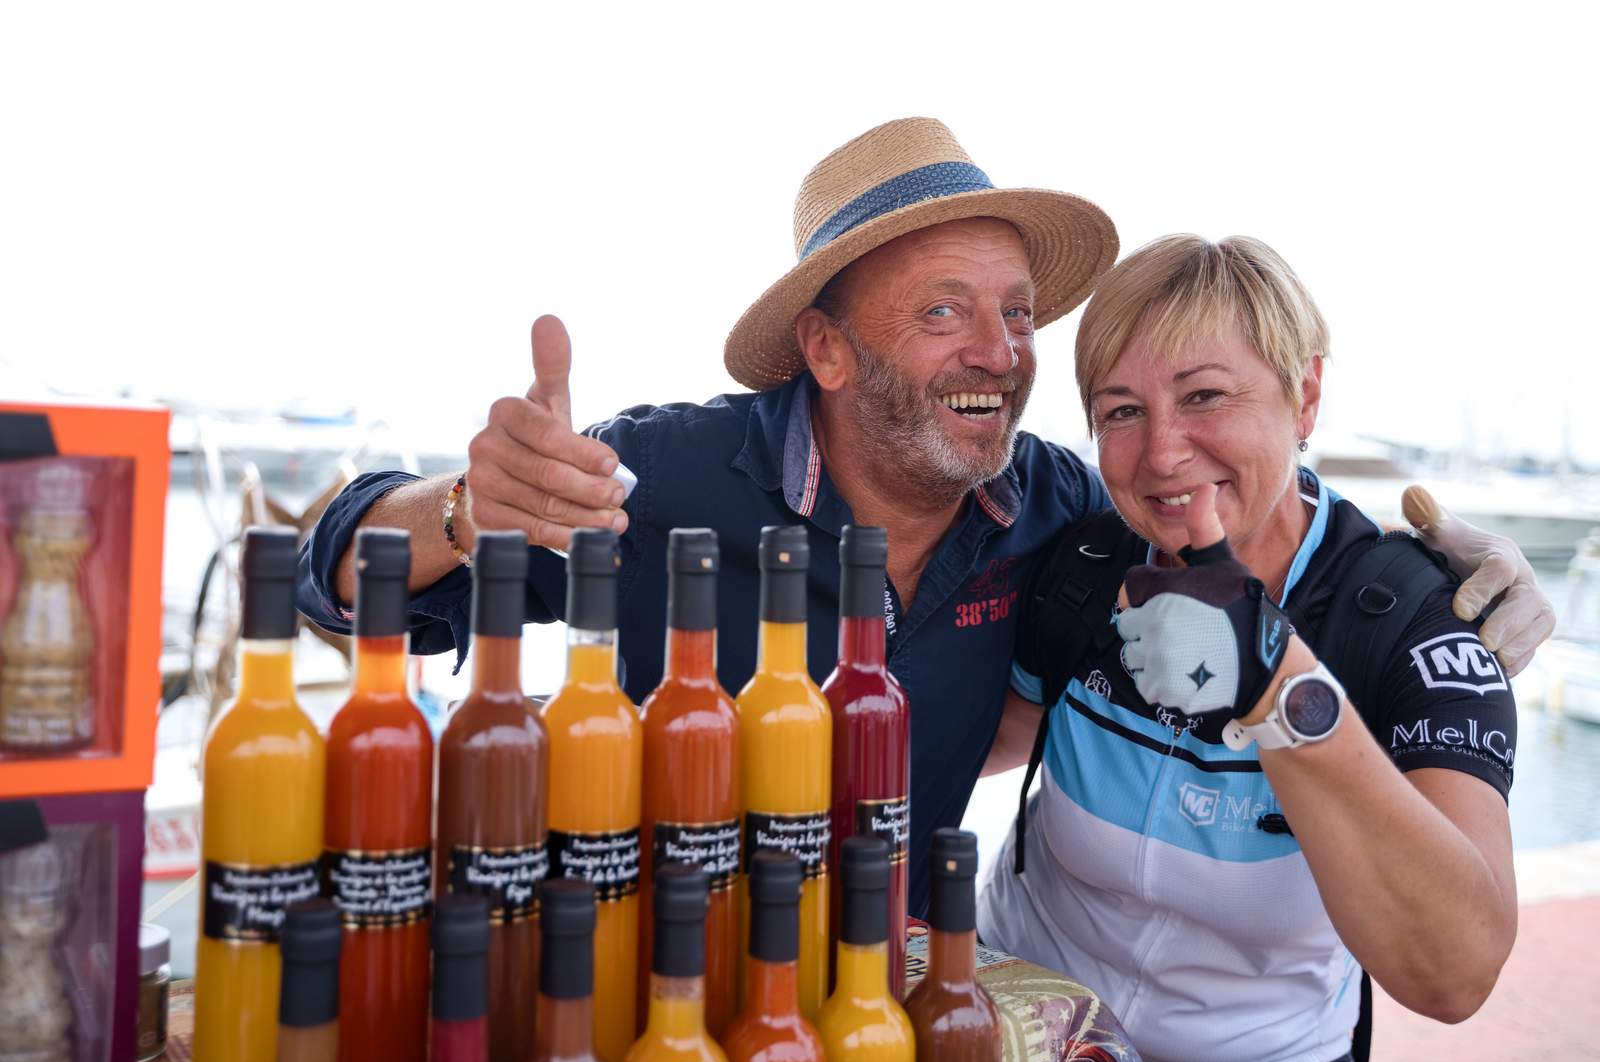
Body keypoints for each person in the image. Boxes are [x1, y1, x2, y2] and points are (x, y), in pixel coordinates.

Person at [296, 118, 1550, 919]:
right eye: (944, 309)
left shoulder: (1054, 505)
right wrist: (463, 508)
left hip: (876, 1000)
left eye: (1016, 312)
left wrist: (1450, 584)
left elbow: (1230, 494)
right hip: (629, 983)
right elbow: (338, 578)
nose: (1000, 351)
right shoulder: (661, 475)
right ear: (826, 349)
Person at [978, 235, 1524, 1062]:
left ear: (1304, 397)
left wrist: (1274, 677)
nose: (1164, 452)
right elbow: (977, 740)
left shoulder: (1407, 623)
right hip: (1028, 1023)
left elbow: (1456, 973)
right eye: (1122, 410)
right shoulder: (1085, 565)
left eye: (1204, 395)